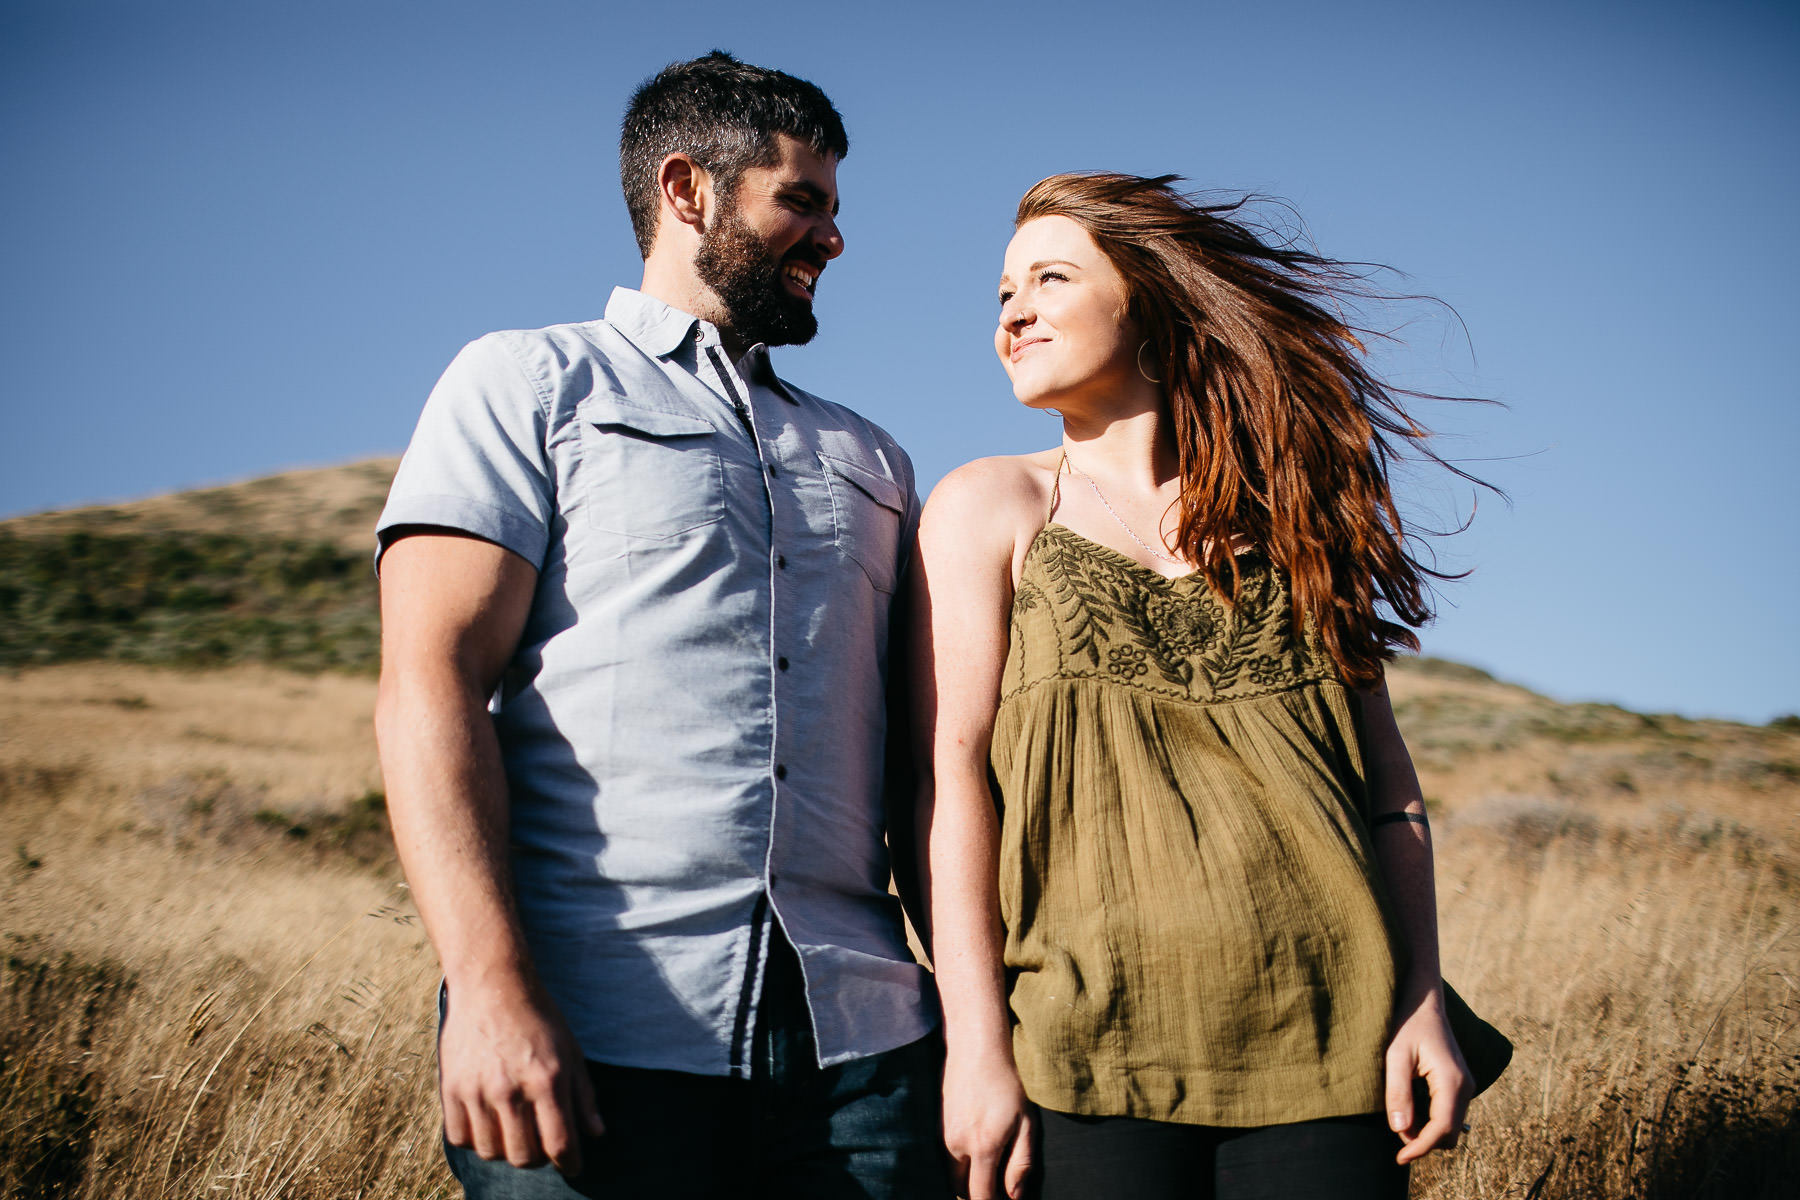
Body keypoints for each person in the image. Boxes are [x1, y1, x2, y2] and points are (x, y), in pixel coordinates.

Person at [373, 52, 946, 1200]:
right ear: (688, 190)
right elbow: (430, 684)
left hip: (866, 1057)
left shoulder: (873, 457)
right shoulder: (527, 382)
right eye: (803, 200)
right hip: (596, 1029)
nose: (833, 238)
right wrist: (487, 991)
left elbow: (926, 768)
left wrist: (978, 1024)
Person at [911, 173, 1478, 1200]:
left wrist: (1421, 1001)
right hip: (1084, 1051)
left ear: (1150, 304)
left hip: (1330, 1048)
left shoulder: (1298, 523)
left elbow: (1389, 797)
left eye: (1049, 277)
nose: (1014, 312)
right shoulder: (992, 506)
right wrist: (976, 1044)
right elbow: (952, 787)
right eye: (1003, 293)